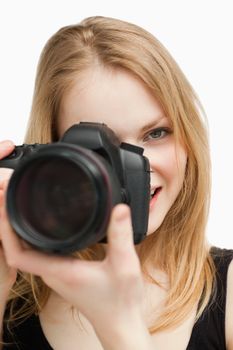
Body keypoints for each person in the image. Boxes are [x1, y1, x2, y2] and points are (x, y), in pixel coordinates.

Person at [0, 15, 232, 350]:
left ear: (188, 138)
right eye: (100, 149)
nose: (138, 168)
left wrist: (118, 325)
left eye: (156, 133)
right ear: (50, 157)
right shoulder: (13, 294)